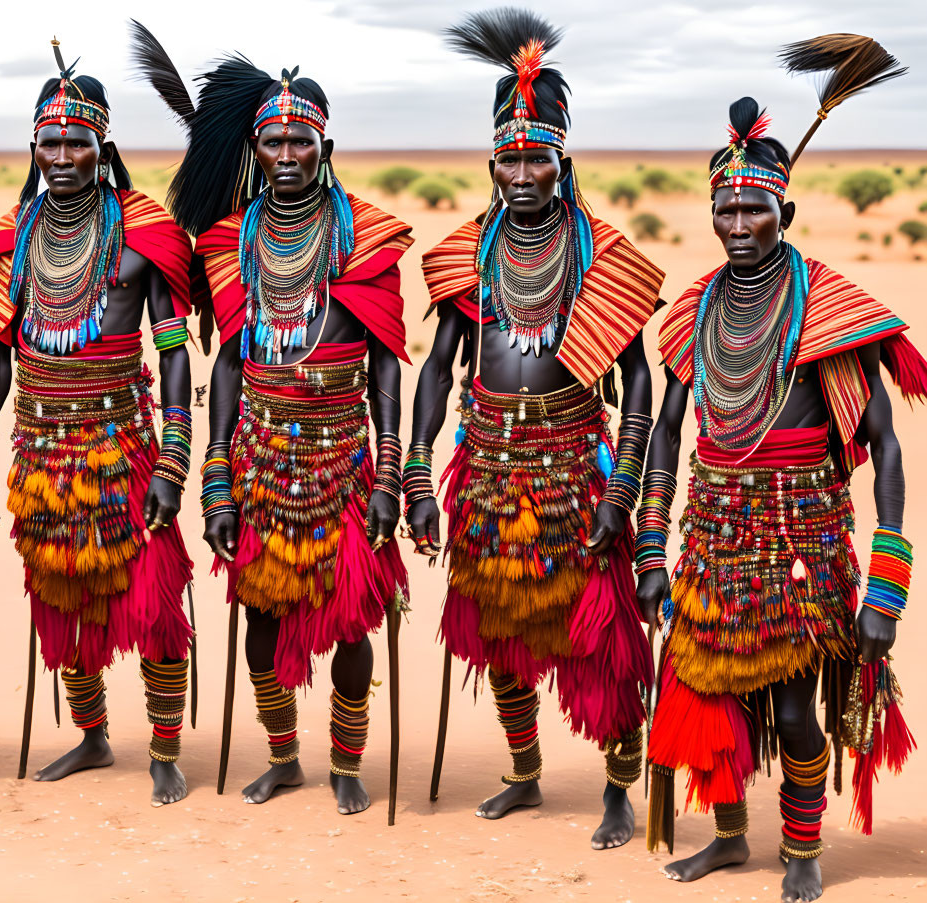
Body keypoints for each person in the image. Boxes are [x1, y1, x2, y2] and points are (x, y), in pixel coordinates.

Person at [641, 81, 921, 901]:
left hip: (801, 551)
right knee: (707, 706)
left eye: (753, 210)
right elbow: (666, 431)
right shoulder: (693, 313)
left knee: (797, 714)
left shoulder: (826, 313)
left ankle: (802, 847)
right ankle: (730, 839)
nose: (736, 225)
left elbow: (885, 446)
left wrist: (887, 588)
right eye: (723, 210)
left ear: (784, 216)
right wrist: (653, 546)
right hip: (712, 540)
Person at [408, 8, 664, 848]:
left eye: (536, 157)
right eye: (508, 158)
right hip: (485, 469)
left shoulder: (601, 257)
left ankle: (618, 789)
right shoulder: (466, 256)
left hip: (576, 467)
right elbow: (438, 368)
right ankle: (523, 774)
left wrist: (622, 488)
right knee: (499, 628)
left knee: (603, 643)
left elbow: (637, 382)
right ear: (491, 163)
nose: (521, 171)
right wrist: (415, 475)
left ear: (562, 160)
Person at [162, 41, 412, 815]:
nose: (288, 153)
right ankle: (283, 756)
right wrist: (216, 478)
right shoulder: (230, 243)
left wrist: (390, 473)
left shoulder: (363, 237)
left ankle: (345, 762)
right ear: (255, 149)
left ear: (325, 146)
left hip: (343, 463)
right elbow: (227, 368)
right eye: (273, 141)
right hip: (261, 462)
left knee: (349, 625)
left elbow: (388, 366)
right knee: (262, 632)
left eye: (301, 140)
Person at [0, 41, 195, 805]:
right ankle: (93, 737)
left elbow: (174, 353)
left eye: (77, 141)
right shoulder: (14, 239)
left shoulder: (143, 232)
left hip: (123, 447)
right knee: (60, 600)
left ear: (103, 148)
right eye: (50, 141)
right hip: (40, 453)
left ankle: (164, 749)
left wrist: (174, 462)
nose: (63, 154)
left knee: (156, 603)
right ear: (34, 146)